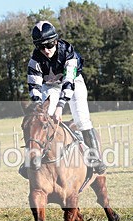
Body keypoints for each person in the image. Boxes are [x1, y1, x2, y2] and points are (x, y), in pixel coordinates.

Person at [25, 20, 105, 174]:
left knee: (81, 119)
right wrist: (39, 108)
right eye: (41, 46)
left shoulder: (69, 54)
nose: (46, 50)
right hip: (50, 86)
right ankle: (32, 158)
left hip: (74, 83)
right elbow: (34, 88)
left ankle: (95, 157)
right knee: (40, 119)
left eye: (49, 45)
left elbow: (69, 82)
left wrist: (60, 107)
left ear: (55, 41)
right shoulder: (34, 61)